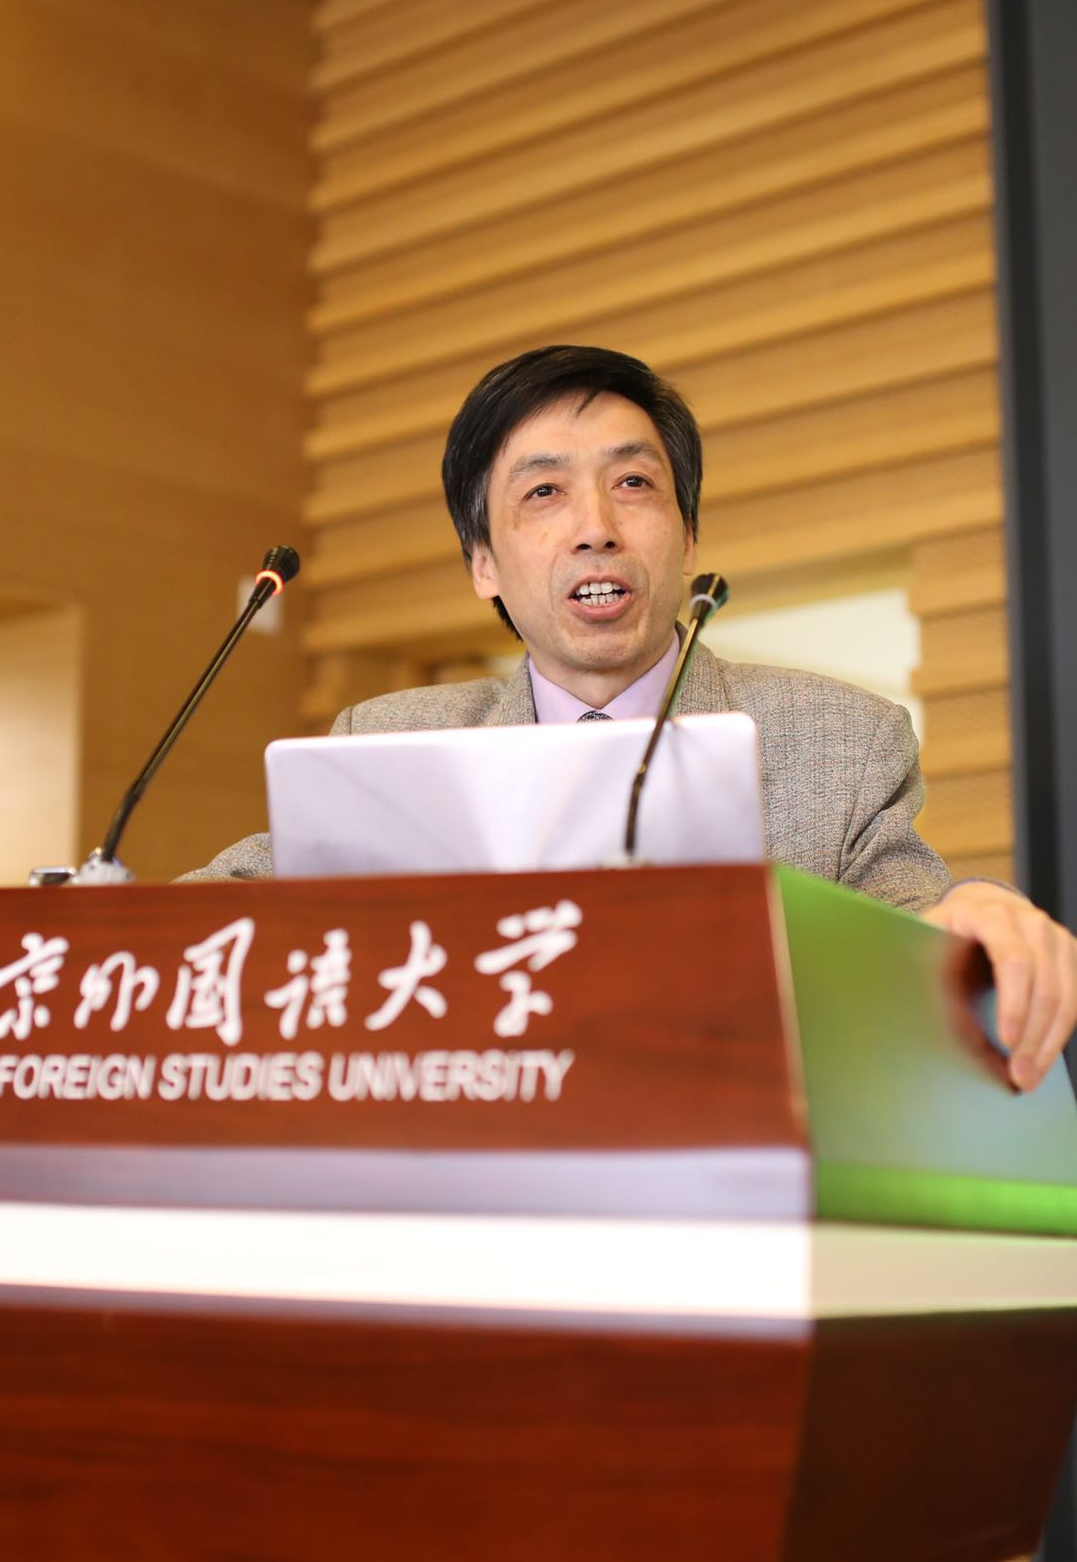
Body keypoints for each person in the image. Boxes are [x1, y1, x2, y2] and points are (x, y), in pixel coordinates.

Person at [181, 345, 1077, 1092]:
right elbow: (212, 913)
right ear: (483, 562)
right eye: (544, 493)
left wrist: (981, 910)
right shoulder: (385, 742)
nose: (597, 527)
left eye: (635, 483)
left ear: (688, 536)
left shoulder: (841, 740)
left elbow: (912, 922)